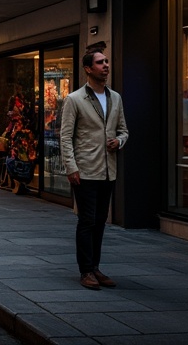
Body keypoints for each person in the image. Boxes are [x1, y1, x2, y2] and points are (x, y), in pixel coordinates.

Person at [60, 49, 129, 291]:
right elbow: (66, 137)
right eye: (100, 62)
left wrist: (119, 141)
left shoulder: (116, 98)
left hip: (108, 170)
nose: (106, 66)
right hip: (85, 170)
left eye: (107, 61)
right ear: (88, 69)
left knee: (100, 221)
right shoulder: (75, 99)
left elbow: (124, 130)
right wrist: (71, 167)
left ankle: (95, 267)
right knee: (87, 221)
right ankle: (85, 271)